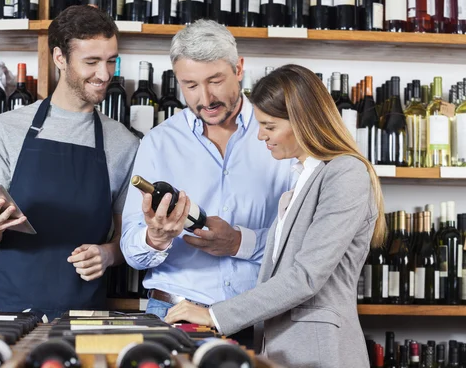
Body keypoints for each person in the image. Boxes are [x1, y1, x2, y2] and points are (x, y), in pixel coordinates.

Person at [164, 64, 386, 368]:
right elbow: (290, 249)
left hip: (320, 351)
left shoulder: (346, 173)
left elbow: (306, 276)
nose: (260, 136)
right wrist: (234, 239)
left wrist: (213, 314)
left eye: (269, 126)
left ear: (302, 121)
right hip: (281, 348)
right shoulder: (301, 181)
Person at [0, 6, 139, 320]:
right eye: (91, 62)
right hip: (9, 308)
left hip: (84, 316)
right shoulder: (7, 128)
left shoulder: (124, 143)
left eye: (111, 61)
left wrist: (108, 254)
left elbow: (129, 239)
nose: (105, 74)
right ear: (59, 58)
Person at [120, 20, 294, 320]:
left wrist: (240, 242)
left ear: (238, 69)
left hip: (259, 313)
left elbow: (303, 241)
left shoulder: (284, 135)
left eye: (215, 80)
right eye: (190, 85)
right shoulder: (158, 143)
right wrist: (155, 238)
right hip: (174, 312)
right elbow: (130, 250)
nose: (205, 98)